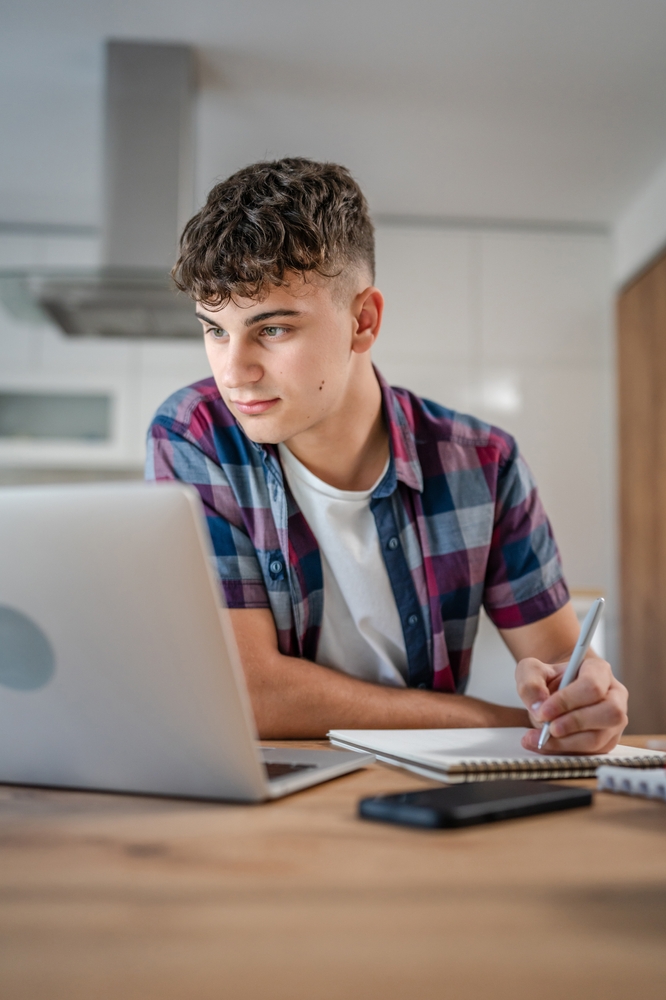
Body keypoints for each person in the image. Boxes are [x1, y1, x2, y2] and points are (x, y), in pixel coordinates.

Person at [146, 157, 628, 749]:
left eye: (272, 329)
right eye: (216, 330)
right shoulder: (193, 434)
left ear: (363, 321)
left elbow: (561, 665)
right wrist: (498, 721)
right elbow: (246, 693)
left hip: (430, 787)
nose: (233, 372)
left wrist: (583, 704)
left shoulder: (484, 465)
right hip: (270, 788)